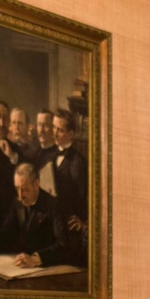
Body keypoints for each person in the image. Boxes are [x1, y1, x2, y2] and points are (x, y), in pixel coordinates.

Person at [0, 163, 66, 268]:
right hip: (22, 267)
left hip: (49, 269)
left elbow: (63, 245)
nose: (20, 195)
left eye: (25, 189)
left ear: (36, 184)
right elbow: (7, 232)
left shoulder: (53, 205)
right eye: (17, 188)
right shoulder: (17, 203)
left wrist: (37, 258)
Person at [39, 109, 88, 265]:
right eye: (54, 128)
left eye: (60, 130)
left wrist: (84, 221)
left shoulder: (78, 162)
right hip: (51, 222)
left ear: (71, 133)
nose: (55, 133)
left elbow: (84, 195)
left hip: (69, 227)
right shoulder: (49, 155)